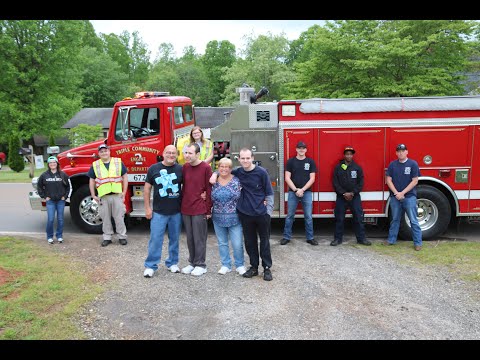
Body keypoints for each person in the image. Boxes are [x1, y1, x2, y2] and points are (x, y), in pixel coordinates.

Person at [210, 148, 274, 281]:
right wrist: (214, 174)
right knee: (250, 243)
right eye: (242, 158)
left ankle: (267, 268)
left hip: (262, 214)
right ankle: (254, 267)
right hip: (245, 214)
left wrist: (268, 212)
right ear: (238, 159)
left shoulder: (261, 172)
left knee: (264, 242)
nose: (245, 160)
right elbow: (224, 170)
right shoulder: (238, 171)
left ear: (252, 158)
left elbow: (269, 193)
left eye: (248, 158)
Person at [143, 145, 183, 278]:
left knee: (174, 239)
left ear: (176, 155)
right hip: (158, 212)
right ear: (163, 154)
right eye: (168, 153)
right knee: (155, 239)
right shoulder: (154, 169)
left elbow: (189, 186)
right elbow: (147, 189)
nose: (171, 155)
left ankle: (172, 263)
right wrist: (148, 208)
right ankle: (150, 266)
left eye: (173, 153)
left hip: (176, 212)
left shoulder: (180, 169)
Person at [180, 143, 213, 276]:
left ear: (198, 154)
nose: (187, 155)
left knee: (199, 237)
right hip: (186, 207)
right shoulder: (185, 167)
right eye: (186, 153)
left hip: (199, 207)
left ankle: (201, 264)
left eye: (190, 153)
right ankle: (192, 262)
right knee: (190, 238)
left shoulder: (206, 167)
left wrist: (208, 209)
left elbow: (209, 189)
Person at [88, 143, 128, 247]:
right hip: (103, 196)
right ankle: (107, 237)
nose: (104, 153)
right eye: (101, 151)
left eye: (105, 151)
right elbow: (92, 181)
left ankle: (122, 237)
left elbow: (125, 177)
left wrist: (124, 192)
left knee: (119, 217)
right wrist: (93, 194)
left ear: (109, 152)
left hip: (117, 195)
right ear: (98, 154)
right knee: (105, 218)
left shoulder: (118, 162)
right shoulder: (95, 165)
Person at [211, 157, 246, 275]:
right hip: (217, 217)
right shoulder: (213, 181)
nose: (224, 169)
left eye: (226, 167)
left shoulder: (237, 180)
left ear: (231, 169)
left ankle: (240, 265)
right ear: (218, 167)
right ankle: (225, 265)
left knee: (237, 243)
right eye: (221, 166)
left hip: (235, 217)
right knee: (222, 243)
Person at [331, 146, 371, 246]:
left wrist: (353, 193)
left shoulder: (357, 168)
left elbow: (361, 182)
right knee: (339, 219)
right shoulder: (338, 167)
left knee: (358, 218)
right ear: (344, 155)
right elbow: (335, 182)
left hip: (355, 197)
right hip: (341, 196)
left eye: (350, 154)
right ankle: (337, 239)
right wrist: (343, 193)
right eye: (347, 154)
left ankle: (361, 239)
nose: (349, 155)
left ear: (353, 155)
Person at [385, 143, 422, 251]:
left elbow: (415, 181)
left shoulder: (413, 164)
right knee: (395, 219)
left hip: (409, 197)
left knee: (413, 220)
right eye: (399, 151)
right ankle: (391, 240)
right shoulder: (392, 165)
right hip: (395, 197)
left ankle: (418, 243)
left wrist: (402, 193)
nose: (401, 153)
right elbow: (388, 180)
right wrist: (397, 193)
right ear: (396, 153)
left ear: (407, 152)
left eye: (403, 151)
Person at [281, 141, 318, 246]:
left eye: (303, 148)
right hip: (293, 192)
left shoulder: (310, 162)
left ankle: (310, 238)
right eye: (299, 148)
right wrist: (296, 190)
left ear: (306, 150)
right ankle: (286, 237)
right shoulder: (290, 162)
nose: (301, 150)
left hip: (306, 192)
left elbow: (312, 178)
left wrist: (302, 190)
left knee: (308, 216)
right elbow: (287, 178)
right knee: (290, 216)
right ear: (296, 149)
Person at [37, 156, 71, 244]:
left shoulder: (63, 175)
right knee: (51, 219)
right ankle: (49, 237)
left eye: (54, 162)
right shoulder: (44, 175)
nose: (52, 164)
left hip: (61, 201)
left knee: (60, 219)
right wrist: (44, 196)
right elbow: (39, 187)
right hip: (50, 201)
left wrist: (65, 196)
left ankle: (59, 236)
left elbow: (69, 187)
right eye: (50, 163)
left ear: (57, 163)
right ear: (48, 164)